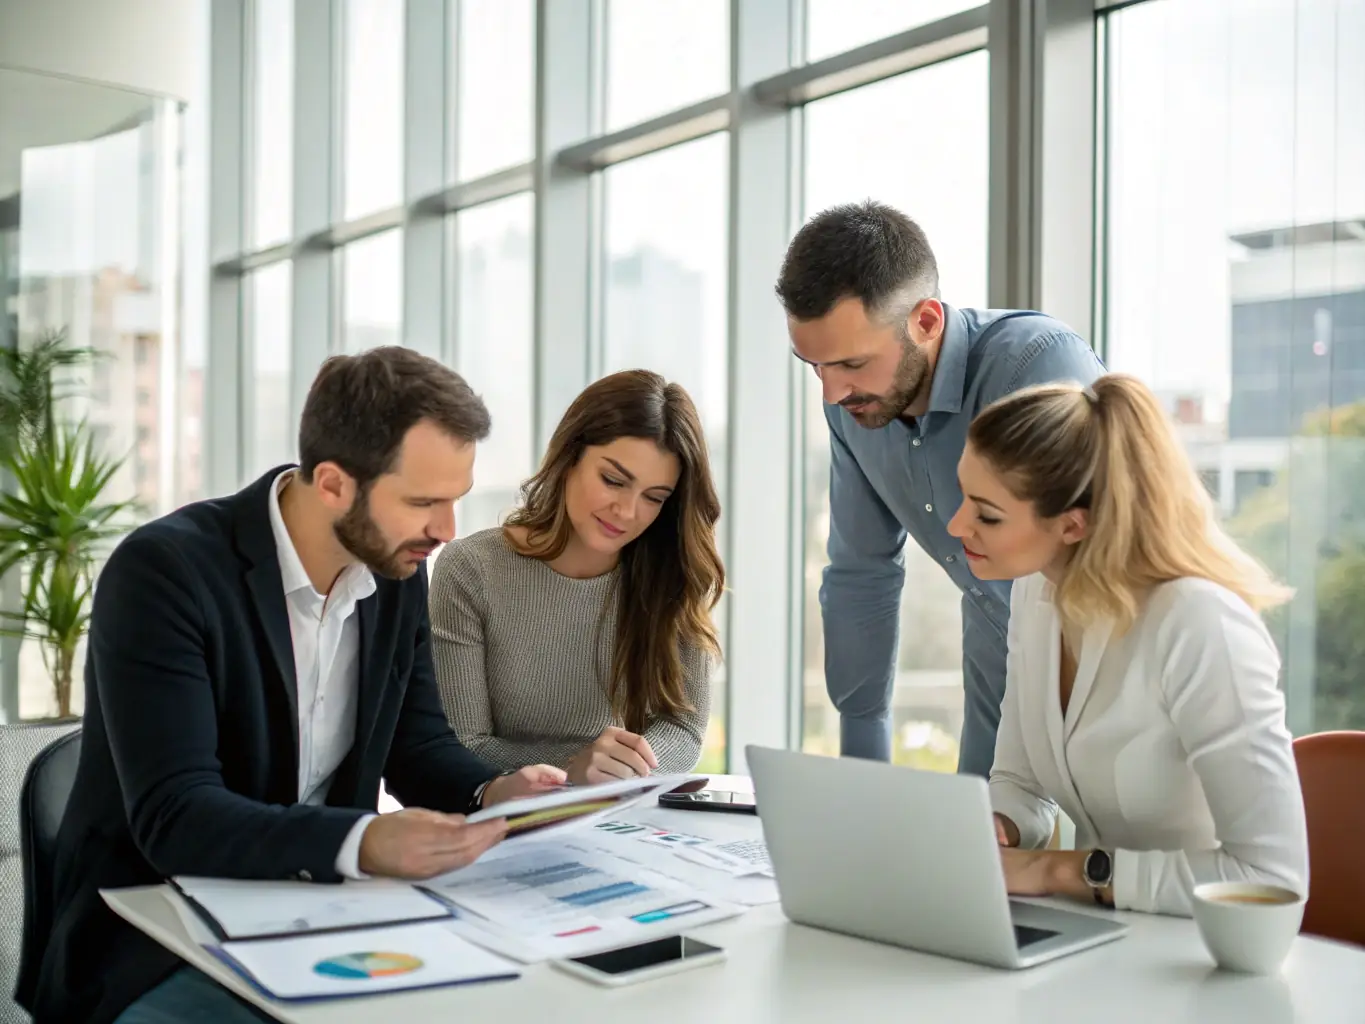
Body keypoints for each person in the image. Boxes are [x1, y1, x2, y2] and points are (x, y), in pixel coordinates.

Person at [22, 347, 566, 1024]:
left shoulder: (394, 571)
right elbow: (177, 815)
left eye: (454, 501)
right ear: (333, 483)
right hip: (160, 935)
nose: (446, 531)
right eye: (423, 502)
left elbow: (416, 746)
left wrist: (492, 791)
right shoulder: (164, 573)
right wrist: (362, 842)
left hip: (321, 915)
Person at [946, 374, 1308, 916]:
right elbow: (1021, 781)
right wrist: (996, 826)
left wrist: (1054, 871)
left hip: (1202, 955)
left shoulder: (1199, 625)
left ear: (1073, 525)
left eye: (987, 514)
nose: (956, 525)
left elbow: (1269, 877)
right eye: (963, 498)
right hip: (1106, 942)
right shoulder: (1037, 594)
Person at [777, 199, 1105, 774]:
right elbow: (860, 576)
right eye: (815, 366)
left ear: (926, 321)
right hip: (994, 652)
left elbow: (1093, 550)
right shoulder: (852, 409)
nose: (832, 393)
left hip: (1099, 662)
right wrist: (862, 771)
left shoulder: (1034, 364)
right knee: (984, 843)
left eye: (852, 363)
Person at [430, 369, 724, 783]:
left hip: (619, 815)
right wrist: (576, 768)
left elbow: (683, 729)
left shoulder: (670, 573)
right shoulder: (471, 569)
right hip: (503, 817)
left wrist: (619, 769)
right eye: (613, 480)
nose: (627, 512)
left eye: (654, 498)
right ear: (569, 457)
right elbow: (465, 745)